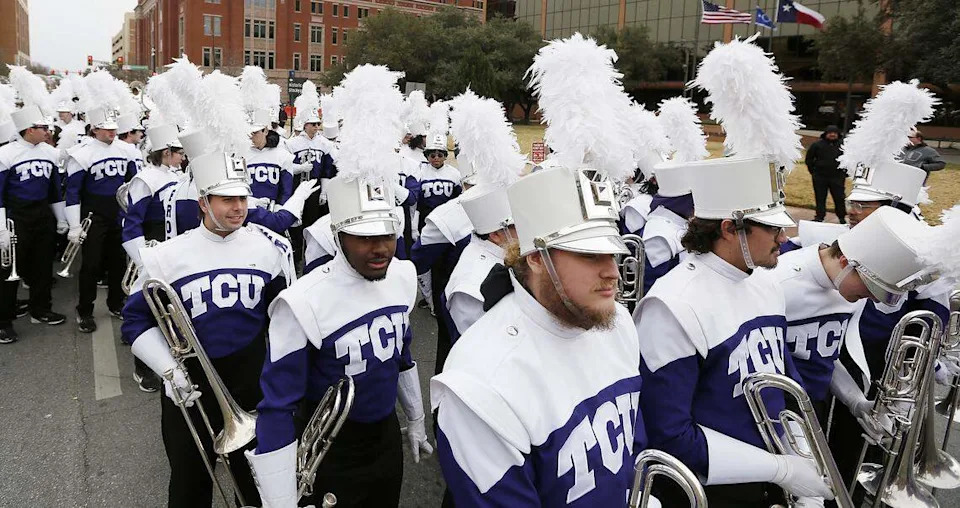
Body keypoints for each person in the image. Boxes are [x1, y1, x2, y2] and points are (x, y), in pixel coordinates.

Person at [246, 64, 430, 508]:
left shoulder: (402, 277)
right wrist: (277, 498)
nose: (381, 248)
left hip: (385, 438)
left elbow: (402, 359)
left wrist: (417, 420)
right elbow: (277, 408)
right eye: (365, 238)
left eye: (386, 235)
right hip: (330, 450)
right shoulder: (302, 301)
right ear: (337, 235)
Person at [433, 163, 646, 506]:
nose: (612, 272)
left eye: (614, 253)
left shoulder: (619, 321)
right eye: (590, 255)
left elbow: (631, 446)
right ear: (535, 259)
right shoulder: (480, 381)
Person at [122, 147, 293, 508]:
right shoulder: (167, 255)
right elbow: (135, 320)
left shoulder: (268, 250)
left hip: (250, 381)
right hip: (190, 385)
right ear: (203, 202)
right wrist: (170, 371)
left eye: (242, 198)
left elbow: (282, 319)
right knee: (189, 482)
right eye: (226, 199)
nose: (238, 208)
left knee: (254, 482)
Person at [761, 208, 931, 447]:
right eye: (874, 287)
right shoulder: (777, 283)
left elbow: (825, 356)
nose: (873, 298)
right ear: (845, 262)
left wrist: (856, 401)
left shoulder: (847, 287)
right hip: (767, 413)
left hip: (810, 407)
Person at [120, 124, 183, 393]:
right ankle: (143, 368)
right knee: (149, 310)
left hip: (174, 247)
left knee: (172, 310)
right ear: (166, 152)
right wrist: (144, 259)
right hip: (152, 248)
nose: (183, 157)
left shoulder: (179, 175)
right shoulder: (145, 180)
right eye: (179, 152)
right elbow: (131, 224)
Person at [0, 106, 69, 343]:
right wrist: (1, 228)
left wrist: (60, 218)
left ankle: (40, 309)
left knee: (42, 267)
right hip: (14, 217)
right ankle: (3, 321)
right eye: (43, 128)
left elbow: (54, 190)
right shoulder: (6, 153)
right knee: (8, 272)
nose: (48, 132)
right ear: (30, 130)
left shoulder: (50, 152)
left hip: (42, 215)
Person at [65, 107, 134, 333]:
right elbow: (73, 191)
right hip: (93, 214)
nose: (112, 132)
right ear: (94, 129)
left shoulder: (127, 150)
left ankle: (116, 303)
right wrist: (75, 224)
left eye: (114, 128)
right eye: (106, 129)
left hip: (118, 212)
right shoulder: (81, 153)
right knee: (91, 264)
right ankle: (84, 310)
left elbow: (132, 183)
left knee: (117, 261)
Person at [804, 125, 847, 223]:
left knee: (839, 198)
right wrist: (813, 172)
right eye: (830, 133)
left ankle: (841, 217)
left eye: (834, 133)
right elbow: (809, 159)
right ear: (826, 134)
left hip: (837, 177)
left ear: (838, 134)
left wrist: (845, 173)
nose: (832, 135)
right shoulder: (817, 145)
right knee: (820, 197)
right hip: (820, 176)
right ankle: (819, 217)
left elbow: (850, 159)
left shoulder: (843, 145)